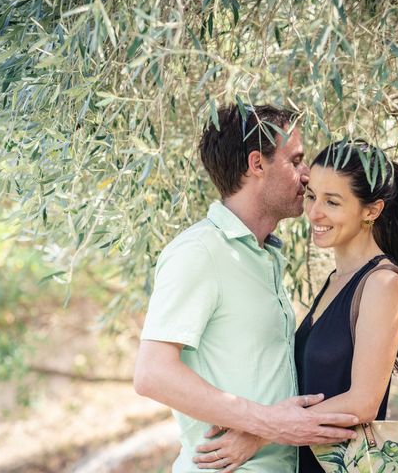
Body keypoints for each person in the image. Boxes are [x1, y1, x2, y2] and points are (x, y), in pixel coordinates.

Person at [194, 139, 398, 472]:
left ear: (371, 210)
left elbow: (362, 403)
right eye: (312, 196)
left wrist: (261, 433)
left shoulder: (383, 284)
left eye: (332, 202)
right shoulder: (336, 280)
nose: (314, 212)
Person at [133, 106, 359, 473]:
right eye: (296, 160)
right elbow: (152, 374)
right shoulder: (200, 252)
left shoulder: (263, 254)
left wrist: (264, 431)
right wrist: (266, 423)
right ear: (257, 164)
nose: (307, 176)